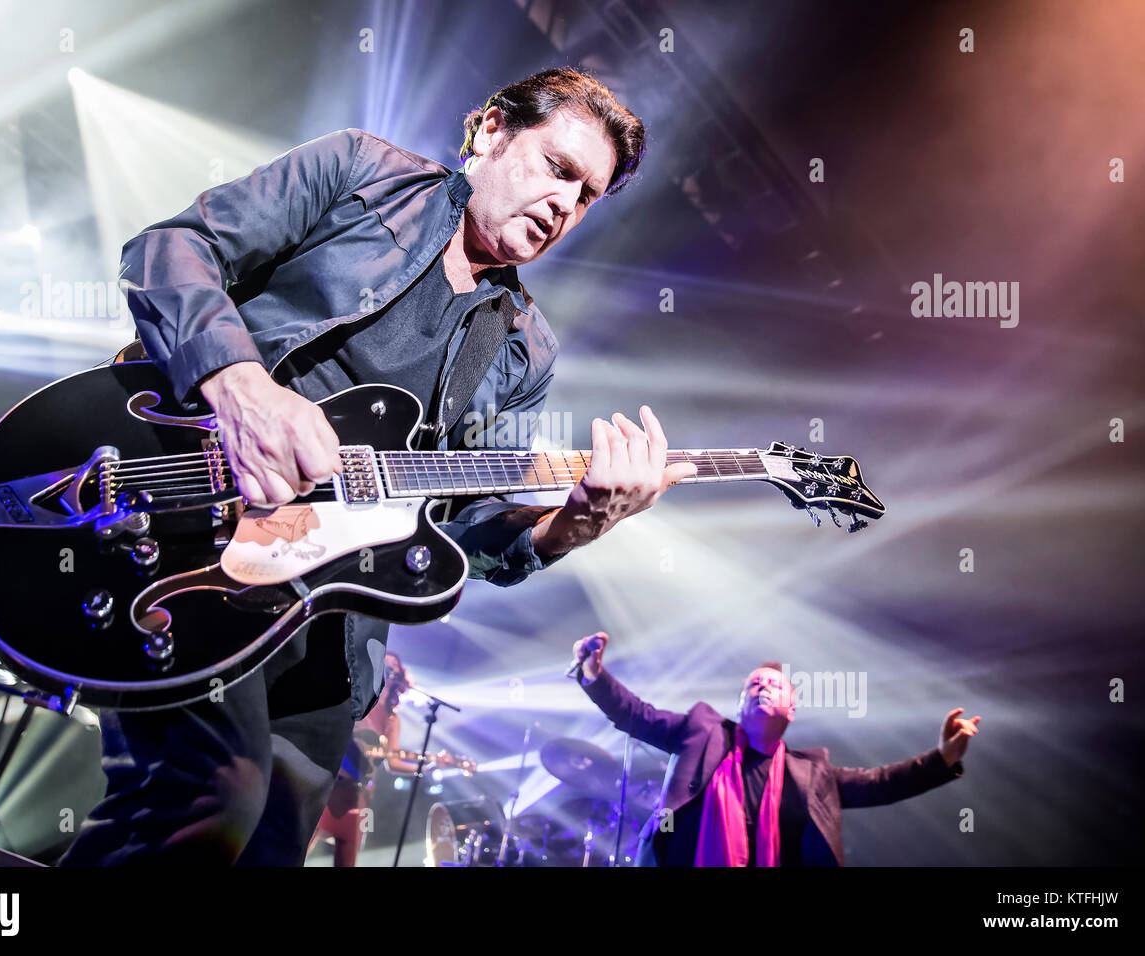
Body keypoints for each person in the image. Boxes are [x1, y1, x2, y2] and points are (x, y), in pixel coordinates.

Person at [59, 68, 696, 866]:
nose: (565, 203)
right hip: (191, 535)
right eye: (558, 167)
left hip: (331, 630)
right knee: (209, 794)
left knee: (267, 847)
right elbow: (167, 252)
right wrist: (241, 387)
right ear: (492, 130)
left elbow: (466, 529)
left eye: (588, 194)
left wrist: (570, 526)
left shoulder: (524, 347)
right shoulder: (361, 172)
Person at [572, 633, 981, 866]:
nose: (764, 686)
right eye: (754, 683)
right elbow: (637, 715)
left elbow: (880, 783)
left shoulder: (813, 773)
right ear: (739, 706)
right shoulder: (699, 731)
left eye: (775, 684)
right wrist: (594, 674)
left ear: (793, 709)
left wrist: (942, 758)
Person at [309, 652, 421, 866]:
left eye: (393, 667)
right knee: (302, 841)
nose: (388, 669)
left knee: (348, 855)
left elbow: (394, 761)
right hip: (330, 781)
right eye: (385, 664)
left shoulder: (392, 718)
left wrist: (422, 768)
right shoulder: (357, 697)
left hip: (359, 793)